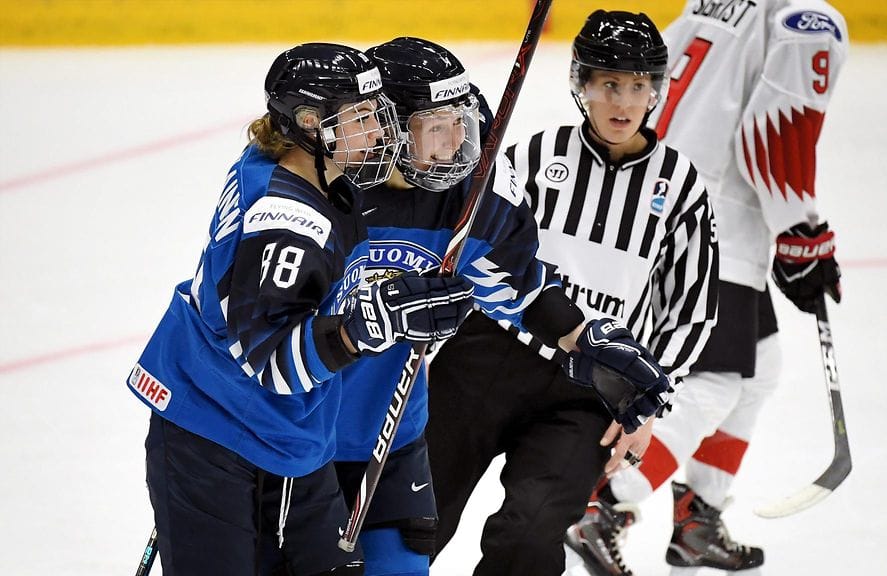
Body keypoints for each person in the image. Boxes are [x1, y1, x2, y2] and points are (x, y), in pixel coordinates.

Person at [258, 37, 675, 576]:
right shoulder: (318, 187)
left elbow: (519, 290)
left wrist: (586, 342)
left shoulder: (473, 198)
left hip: (392, 431)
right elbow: (265, 325)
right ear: (386, 124)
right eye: (436, 127)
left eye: (462, 123)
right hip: (297, 433)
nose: (457, 144)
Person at [128, 42, 479, 576]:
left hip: (289, 437)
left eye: (379, 115)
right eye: (363, 118)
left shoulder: (296, 167)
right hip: (216, 432)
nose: (382, 133)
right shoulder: (288, 221)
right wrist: (369, 326)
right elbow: (271, 363)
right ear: (312, 124)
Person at [426, 11, 719, 576]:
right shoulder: (536, 157)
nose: (624, 101)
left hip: (589, 390)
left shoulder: (680, 187)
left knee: (530, 540)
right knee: (415, 519)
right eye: (609, 83)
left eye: (639, 86)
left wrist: (648, 402)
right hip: (487, 358)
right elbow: (474, 249)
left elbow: (691, 312)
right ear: (582, 84)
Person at [565, 1, 848, 574]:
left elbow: (656, 82)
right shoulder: (809, 19)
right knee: (713, 380)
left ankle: (700, 520)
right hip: (716, 218)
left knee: (759, 364)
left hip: (669, 194)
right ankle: (604, 503)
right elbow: (774, 136)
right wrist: (801, 233)